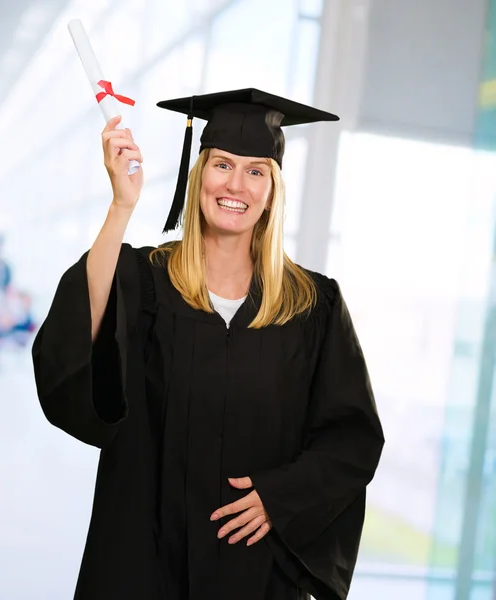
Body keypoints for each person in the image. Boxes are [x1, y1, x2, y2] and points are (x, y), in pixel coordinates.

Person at [32, 88, 384, 600]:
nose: (235, 184)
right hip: (145, 560)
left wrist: (280, 499)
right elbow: (77, 338)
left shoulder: (313, 305)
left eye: (255, 170)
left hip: (255, 571)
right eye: (221, 164)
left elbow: (352, 438)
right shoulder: (145, 281)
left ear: (272, 190)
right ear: (198, 176)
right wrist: (121, 206)